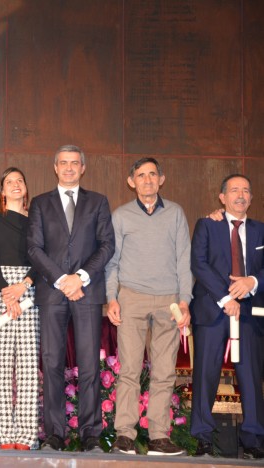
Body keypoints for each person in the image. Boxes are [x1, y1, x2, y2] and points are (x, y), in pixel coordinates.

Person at [27, 144, 114, 452]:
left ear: (82, 168)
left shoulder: (98, 202)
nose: (68, 167)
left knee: (89, 364)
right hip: (52, 292)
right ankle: (54, 434)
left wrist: (81, 278)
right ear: (55, 167)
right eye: (63, 162)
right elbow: (34, 249)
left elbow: (106, 246)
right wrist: (64, 280)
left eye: (74, 163)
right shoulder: (39, 203)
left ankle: (90, 434)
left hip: (87, 292)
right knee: (51, 363)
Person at [105, 157, 191, 456]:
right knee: (128, 369)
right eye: (141, 175)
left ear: (161, 179)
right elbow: (112, 263)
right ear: (132, 182)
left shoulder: (176, 213)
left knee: (165, 371)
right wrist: (112, 298)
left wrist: (185, 300)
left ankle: (158, 436)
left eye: (153, 174)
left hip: (168, 300)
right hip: (132, 297)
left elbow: (184, 259)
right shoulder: (121, 215)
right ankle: (125, 435)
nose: (147, 180)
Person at [190, 174, 264, 459]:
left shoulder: (260, 230)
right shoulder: (207, 224)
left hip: (250, 314)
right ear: (222, 197)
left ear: (251, 198)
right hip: (213, 310)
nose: (241, 195)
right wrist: (225, 297)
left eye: (246, 190)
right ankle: (202, 436)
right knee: (205, 375)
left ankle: (253, 437)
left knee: (251, 376)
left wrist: (252, 282)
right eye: (234, 190)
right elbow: (199, 262)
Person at [0, 168, 40, 450]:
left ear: (25, 188)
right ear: (2, 191)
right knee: (0, 368)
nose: (15, 185)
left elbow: (45, 258)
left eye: (20, 180)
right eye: (9, 182)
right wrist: (7, 294)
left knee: (28, 368)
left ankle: (27, 436)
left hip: (29, 290)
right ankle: (2, 436)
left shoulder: (38, 220)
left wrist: (24, 286)